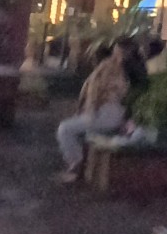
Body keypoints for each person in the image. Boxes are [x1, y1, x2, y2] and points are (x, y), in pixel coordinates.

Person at [55, 40, 129, 182]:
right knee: (72, 127)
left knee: (65, 129)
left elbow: (97, 94)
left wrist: (90, 112)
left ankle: (76, 165)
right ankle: (77, 163)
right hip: (110, 113)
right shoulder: (114, 69)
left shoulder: (107, 69)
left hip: (106, 113)